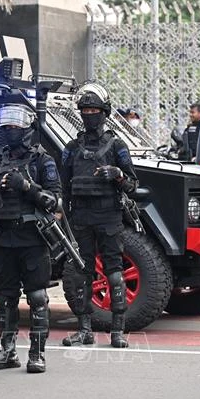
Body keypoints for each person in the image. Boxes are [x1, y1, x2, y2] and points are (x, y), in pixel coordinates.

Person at [0, 103, 61, 373]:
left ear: (27, 129)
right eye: (7, 127)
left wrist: (26, 187)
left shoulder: (42, 162)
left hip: (32, 240)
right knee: (4, 298)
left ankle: (37, 353)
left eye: (15, 127)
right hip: (2, 239)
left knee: (36, 297)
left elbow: (55, 202)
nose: (11, 131)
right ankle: (8, 352)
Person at [60, 83, 139, 348]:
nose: (90, 114)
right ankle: (84, 329)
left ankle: (117, 330)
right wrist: (65, 216)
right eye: (85, 110)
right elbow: (64, 185)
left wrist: (117, 175)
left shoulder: (117, 145)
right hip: (80, 217)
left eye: (94, 110)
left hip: (108, 216)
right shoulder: (71, 148)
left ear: (104, 113)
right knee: (83, 273)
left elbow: (132, 184)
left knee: (114, 273)